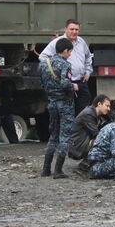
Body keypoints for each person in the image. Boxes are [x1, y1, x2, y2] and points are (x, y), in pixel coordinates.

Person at [39, 38, 76, 178]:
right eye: (70, 52)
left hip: (52, 103)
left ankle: (46, 169)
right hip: (65, 104)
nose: (70, 55)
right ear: (65, 51)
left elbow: (42, 85)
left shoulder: (43, 65)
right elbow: (66, 83)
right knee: (64, 136)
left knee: (53, 136)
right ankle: (58, 170)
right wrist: (74, 87)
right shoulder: (65, 65)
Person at [40, 19, 93, 114]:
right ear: (65, 29)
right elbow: (43, 57)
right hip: (67, 84)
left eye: (76, 30)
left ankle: (80, 128)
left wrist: (88, 71)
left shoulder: (81, 42)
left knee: (84, 112)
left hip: (81, 82)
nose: (74, 32)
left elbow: (88, 57)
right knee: (68, 114)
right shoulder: (58, 42)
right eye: (71, 29)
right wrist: (56, 72)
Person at [69, 94, 112, 166]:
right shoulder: (88, 114)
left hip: (81, 142)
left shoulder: (97, 115)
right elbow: (96, 134)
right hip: (77, 146)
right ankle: (86, 164)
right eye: (107, 106)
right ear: (99, 104)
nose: (109, 109)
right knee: (102, 141)